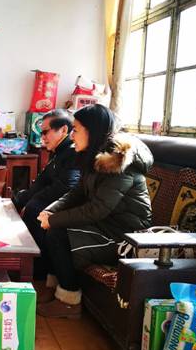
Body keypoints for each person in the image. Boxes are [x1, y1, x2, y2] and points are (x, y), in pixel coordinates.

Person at [36, 104, 153, 318]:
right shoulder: (94, 157)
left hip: (125, 236)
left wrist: (54, 221)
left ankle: (69, 301)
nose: (72, 136)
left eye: (76, 130)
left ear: (93, 130)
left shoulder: (118, 163)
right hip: (105, 225)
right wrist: (50, 212)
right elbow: (77, 193)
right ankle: (54, 287)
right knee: (51, 226)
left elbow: (96, 209)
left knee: (57, 233)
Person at [13, 109, 80, 285]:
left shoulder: (72, 153)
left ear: (63, 130)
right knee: (23, 205)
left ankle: (36, 274)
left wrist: (32, 201)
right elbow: (40, 184)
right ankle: (25, 268)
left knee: (35, 209)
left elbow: (67, 187)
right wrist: (17, 200)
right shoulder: (58, 152)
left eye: (45, 132)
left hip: (63, 209)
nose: (42, 137)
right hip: (50, 205)